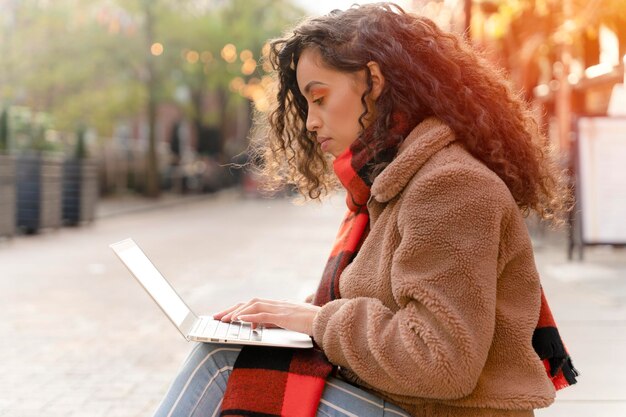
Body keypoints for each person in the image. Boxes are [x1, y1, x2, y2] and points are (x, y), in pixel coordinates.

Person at [153, 3, 578, 417]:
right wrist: (287, 322)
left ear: (373, 82)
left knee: (222, 366)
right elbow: (376, 304)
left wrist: (317, 321)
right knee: (233, 352)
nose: (309, 122)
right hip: (402, 402)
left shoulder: (450, 185)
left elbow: (441, 362)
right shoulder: (395, 182)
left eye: (318, 98)